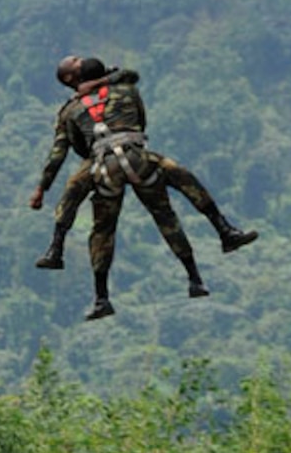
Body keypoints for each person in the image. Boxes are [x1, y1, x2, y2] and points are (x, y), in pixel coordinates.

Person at [30, 55, 258, 320]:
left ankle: (84, 279)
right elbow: (140, 117)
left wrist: (41, 190)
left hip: (102, 167)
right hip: (139, 156)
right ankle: (214, 249)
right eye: (76, 61)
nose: (81, 60)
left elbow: (60, 154)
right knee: (176, 193)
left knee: (99, 224)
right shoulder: (125, 89)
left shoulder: (69, 112)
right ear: (70, 77)